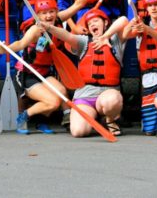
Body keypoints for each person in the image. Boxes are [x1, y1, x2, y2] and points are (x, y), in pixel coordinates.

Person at [0, 0, 97, 134]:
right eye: (44, 13)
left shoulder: (57, 20)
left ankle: (43, 121)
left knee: (62, 91)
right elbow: (21, 43)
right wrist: (5, 49)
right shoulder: (35, 30)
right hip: (27, 73)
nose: (48, 16)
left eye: (51, 12)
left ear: (56, 12)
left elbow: (78, 4)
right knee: (53, 102)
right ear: (37, 15)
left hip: (44, 72)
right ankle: (24, 116)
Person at [100, 0, 157, 136]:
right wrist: (132, 23)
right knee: (149, 131)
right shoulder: (142, 24)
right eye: (150, 6)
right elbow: (124, 35)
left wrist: (147, 29)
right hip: (148, 78)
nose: (153, 8)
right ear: (146, 8)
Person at [40, 8, 125, 137]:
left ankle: (110, 119)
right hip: (85, 95)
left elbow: (124, 20)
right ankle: (95, 119)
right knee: (78, 132)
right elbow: (66, 35)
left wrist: (105, 37)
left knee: (112, 101)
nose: (93, 25)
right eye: (90, 24)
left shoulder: (115, 40)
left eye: (96, 21)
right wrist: (49, 28)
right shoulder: (83, 42)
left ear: (105, 23)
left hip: (107, 93)